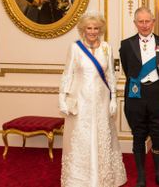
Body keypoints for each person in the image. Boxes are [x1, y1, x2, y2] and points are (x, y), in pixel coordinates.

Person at [59, 11, 127, 187]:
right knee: (82, 138)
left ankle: (103, 178)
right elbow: (68, 74)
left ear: (100, 29)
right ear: (83, 29)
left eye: (96, 28)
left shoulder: (106, 48)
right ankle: (81, 180)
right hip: (81, 100)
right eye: (89, 28)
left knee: (102, 136)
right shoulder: (75, 48)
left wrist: (113, 99)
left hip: (102, 99)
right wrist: (62, 98)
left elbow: (111, 75)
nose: (92, 31)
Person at [119, 7, 159, 187]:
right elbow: (128, 70)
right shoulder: (126, 45)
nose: (144, 25)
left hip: (157, 94)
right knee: (138, 135)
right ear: (135, 23)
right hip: (136, 96)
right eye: (140, 21)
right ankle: (141, 176)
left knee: (158, 135)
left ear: (153, 22)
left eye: (147, 21)